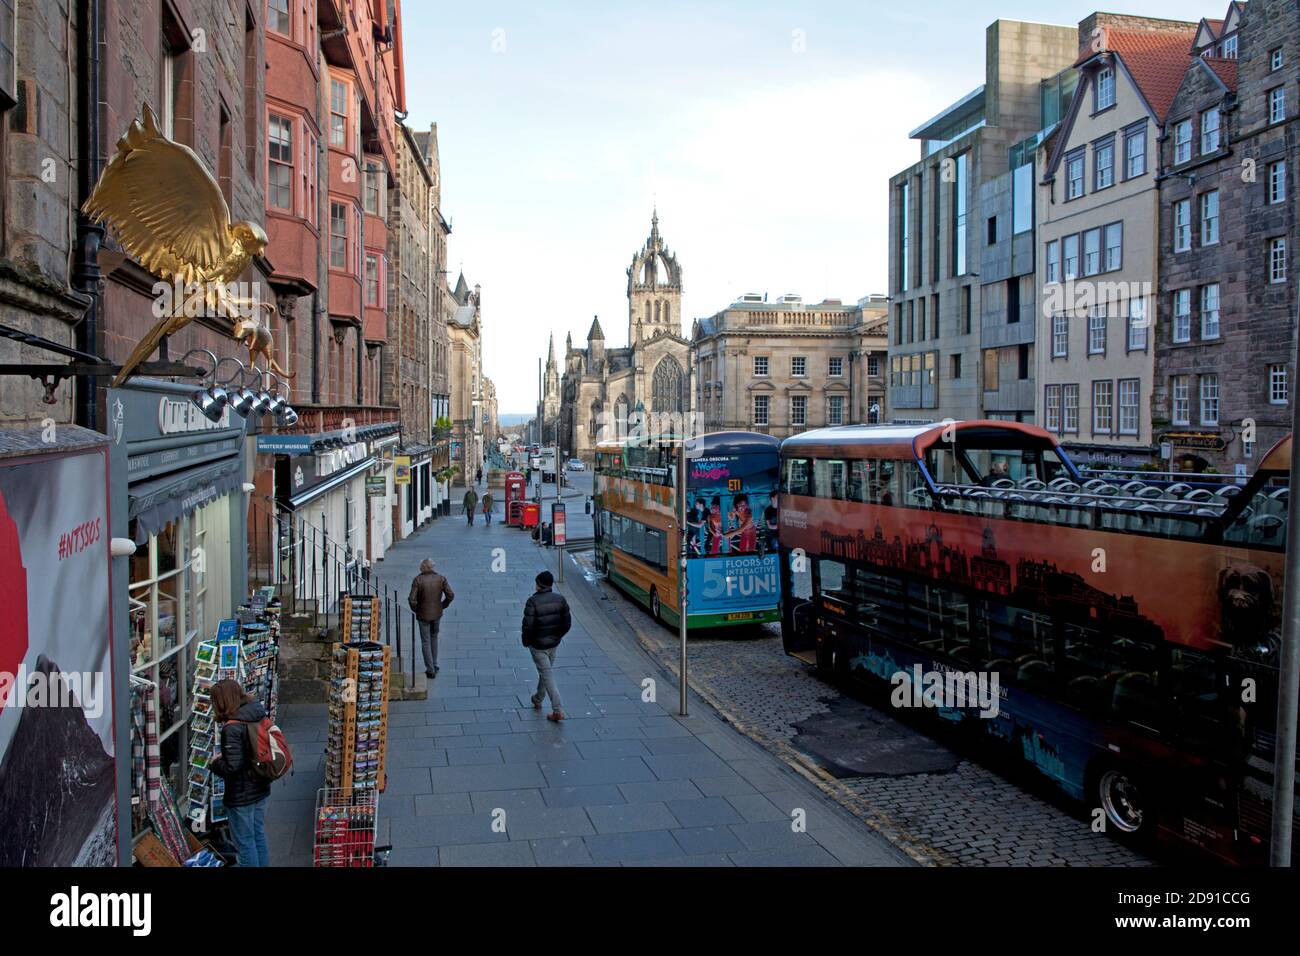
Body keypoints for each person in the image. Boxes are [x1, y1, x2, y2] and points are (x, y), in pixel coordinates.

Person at [210, 679, 271, 867]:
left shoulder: (232, 727)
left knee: (244, 843)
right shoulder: (255, 712)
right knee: (258, 835)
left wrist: (215, 763)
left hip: (242, 793)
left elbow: (232, 767)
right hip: (260, 785)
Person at [521, 570, 571, 721]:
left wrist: (527, 641)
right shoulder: (560, 600)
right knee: (546, 672)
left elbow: (527, 626)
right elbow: (567, 624)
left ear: (538, 585)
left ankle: (558, 710)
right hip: (553, 643)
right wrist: (557, 637)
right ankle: (538, 698)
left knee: (547, 674)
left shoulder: (532, 601)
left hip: (538, 645)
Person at [409, 558, 454, 678]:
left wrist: (417, 609)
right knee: (434, 637)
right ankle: (434, 664)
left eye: (421, 565)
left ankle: (430, 669)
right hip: (437, 614)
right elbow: (450, 595)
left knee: (425, 641)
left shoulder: (418, 580)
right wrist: (442, 605)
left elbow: (412, 600)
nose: (419, 568)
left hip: (423, 615)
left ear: (425, 567)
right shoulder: (441, 578)